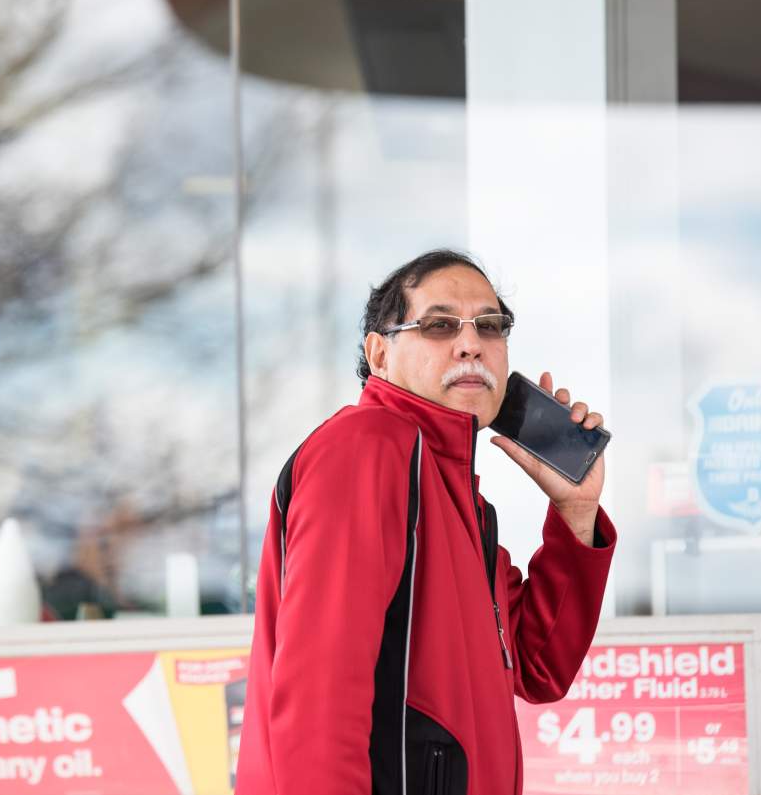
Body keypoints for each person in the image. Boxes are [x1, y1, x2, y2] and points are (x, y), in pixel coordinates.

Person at [235, 250, 616, 795]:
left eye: (490, 326)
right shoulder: (365, 448)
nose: (470, 344)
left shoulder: (456, 496)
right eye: (439, 325)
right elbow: (319, 697)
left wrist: (575, 514)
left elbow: (538, 666)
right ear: (379, 354)